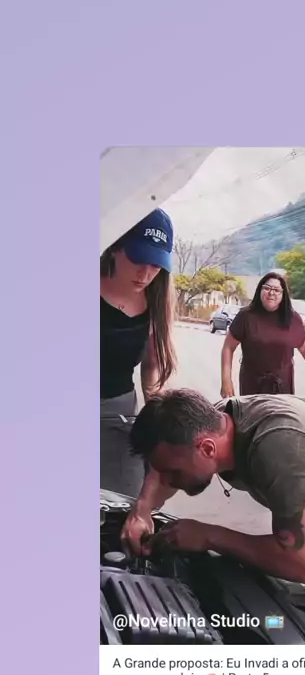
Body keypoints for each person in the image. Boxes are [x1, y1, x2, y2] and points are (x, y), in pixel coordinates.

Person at [121, 388, 305, 641]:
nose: (168, 480)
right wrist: (141, 512)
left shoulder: (277, 449)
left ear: (208, 449)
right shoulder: (209, 424)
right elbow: (166, 464)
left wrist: (208, 535)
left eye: (174, 473)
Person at [100, 208, 176, 498]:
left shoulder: (156, 300)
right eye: (138, 259)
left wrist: (156, 411)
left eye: (155, 265)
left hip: (118, 414)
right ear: (115, 246)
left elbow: (151, 365)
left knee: (125, 498)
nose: (145, 274)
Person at [220, 272, 305, 398]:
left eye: (276, 290)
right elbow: (228, 347)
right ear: (260, 290)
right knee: (254, 411)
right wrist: (226, 380)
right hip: (252, 384)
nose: (271, 293)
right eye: (267, 288)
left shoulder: (293, 319)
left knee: (281, 412)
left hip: (282, 386)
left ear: (283, 295)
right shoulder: (246, 316)